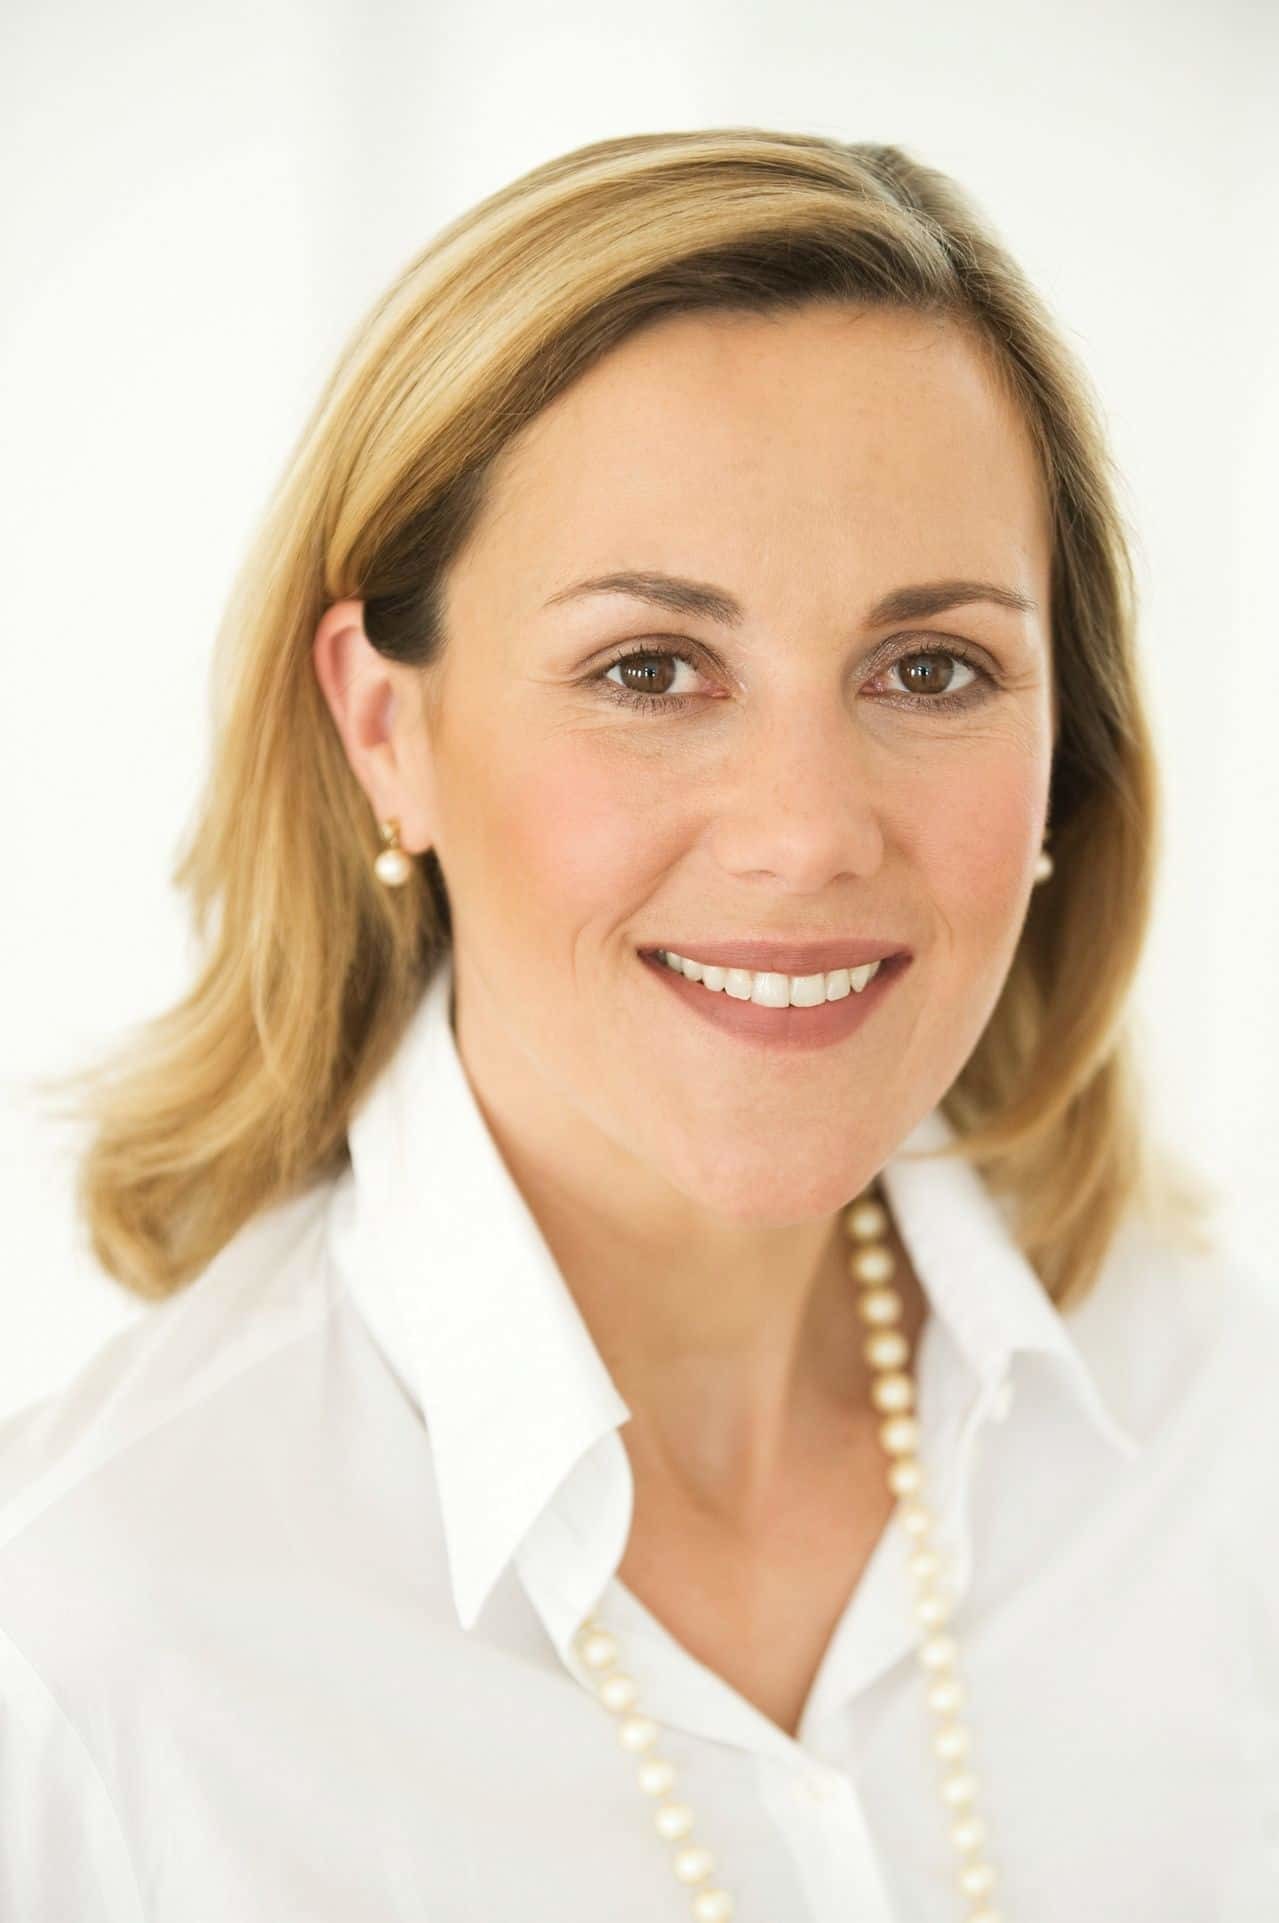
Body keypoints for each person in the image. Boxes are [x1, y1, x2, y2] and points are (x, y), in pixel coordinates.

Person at [2, 128, 1275, 1923]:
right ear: (386, 729)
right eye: (651, 671)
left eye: (932, 670)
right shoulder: (89, 1652)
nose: (809, 832)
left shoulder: (1217, 1435)